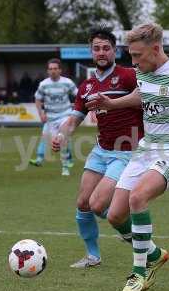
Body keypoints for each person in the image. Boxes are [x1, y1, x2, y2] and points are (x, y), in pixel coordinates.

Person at [86, 22, 169, 291]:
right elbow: (141, 94)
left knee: (137, 198)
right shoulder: (143, 71)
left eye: (137, 55)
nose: (133, 61)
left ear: (155, 49)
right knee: (115, 215)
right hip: (147, 148)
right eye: (131, 55)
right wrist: (111, 103)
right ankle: (154, 253)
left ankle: (140, 274)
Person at [51, 27, 144, 268]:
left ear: (115, 51)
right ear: (91, 52)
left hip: (126, 152)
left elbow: (146, 97)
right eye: (96, 48)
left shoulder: (129, 76)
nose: (101, 52)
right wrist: (61, 136)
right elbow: (74, 119)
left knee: (98, 204)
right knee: (83, 202)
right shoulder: (86, 86)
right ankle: (93, 256)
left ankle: (131, 234)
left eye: (106, 48)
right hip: (101, 150)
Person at [29, 58, 77, 176]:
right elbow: (37, 99)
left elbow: (78, 95)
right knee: (49, 140)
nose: (53, 71)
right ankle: (42, 159)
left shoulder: (68, 82)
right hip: (50, 118)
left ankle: (65, 167)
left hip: (65, 116)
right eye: (50, 69)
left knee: (62, 140)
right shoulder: (44, 84)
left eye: (55, 69)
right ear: (47, 71)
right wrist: (41, 113)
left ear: (60, 70)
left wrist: (76, 112)